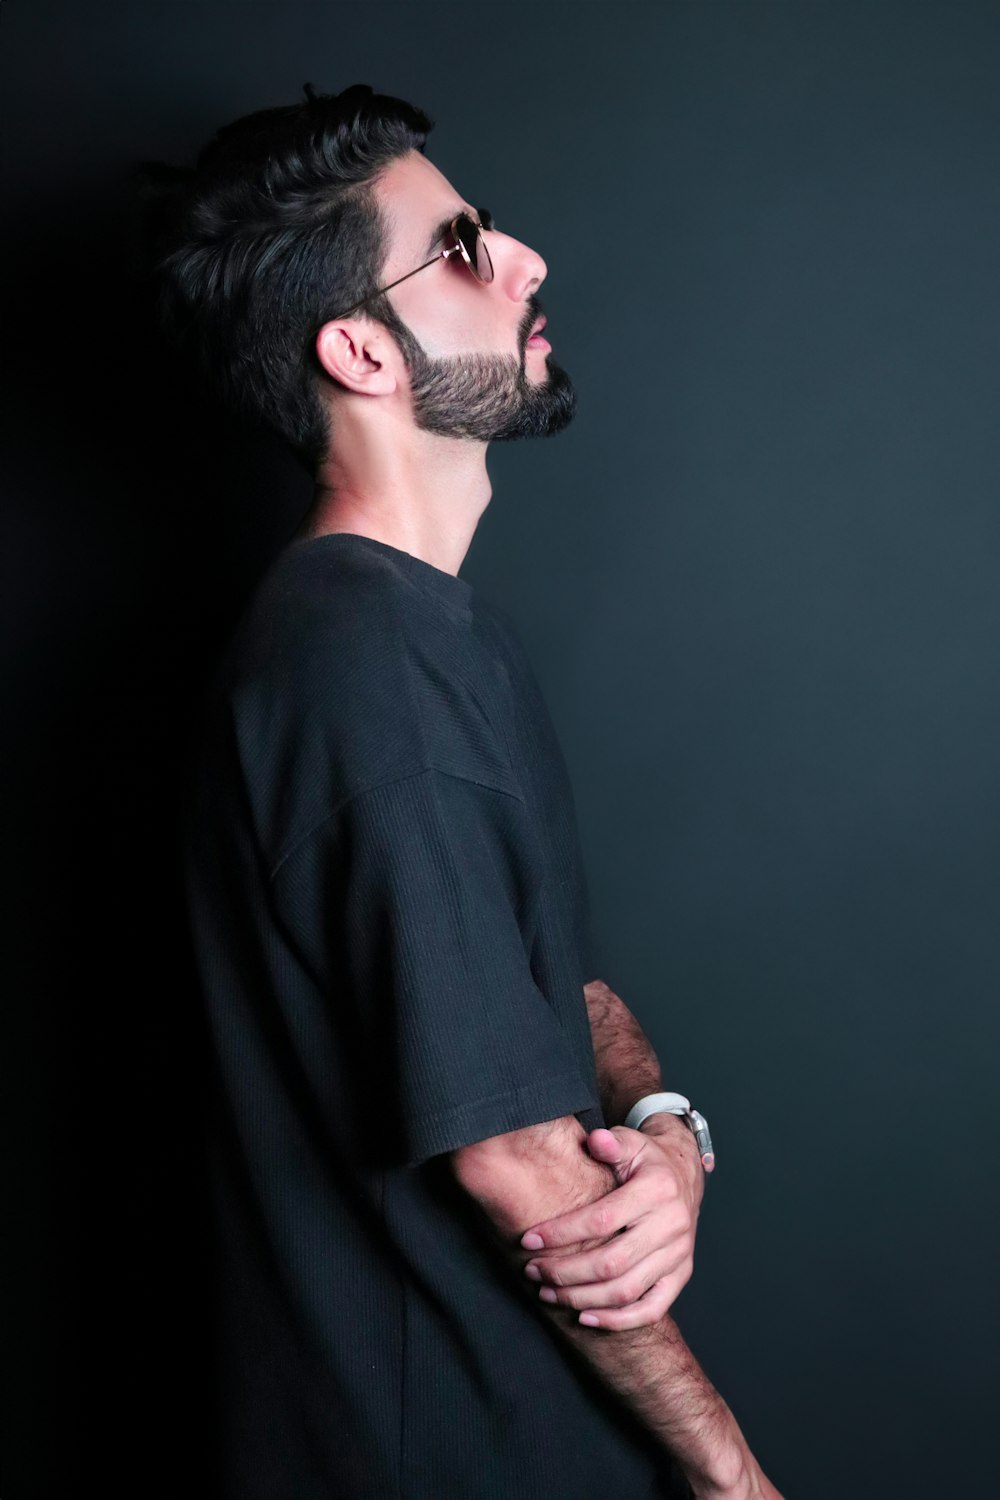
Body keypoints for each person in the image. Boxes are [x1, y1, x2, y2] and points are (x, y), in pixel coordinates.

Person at [136, 83, 783, 1500]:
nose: (526, 257)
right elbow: (512, 1165)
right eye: (464, 245)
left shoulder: (431, 636)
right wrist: (737, 1483)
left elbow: (564, 1005)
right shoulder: (360, 668)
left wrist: (670, 1134)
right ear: (361, 349)